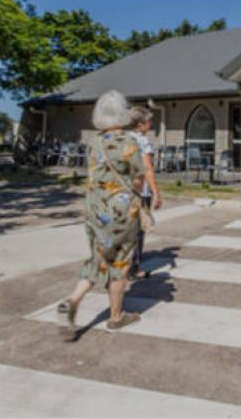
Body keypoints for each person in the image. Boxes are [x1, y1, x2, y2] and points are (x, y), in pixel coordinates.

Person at [56, 90, 146, 341]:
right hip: (121, 210)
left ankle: (73, 299)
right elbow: (138, 178)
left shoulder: (94, 142)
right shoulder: (129, 142)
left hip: (94, 208)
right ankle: (116, 317)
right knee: (119, 260)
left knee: (98, 256)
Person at [127, 106, 163, 280]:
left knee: (126, 229)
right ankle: (134, 267)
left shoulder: (124, 139)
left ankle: (121, 265)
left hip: (124, 190)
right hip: (142, 191)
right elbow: (148, 168)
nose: (151, 124)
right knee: (139, 229)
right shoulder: (143, 141)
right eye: (149, 121)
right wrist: (156, 192)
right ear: (140, 124)